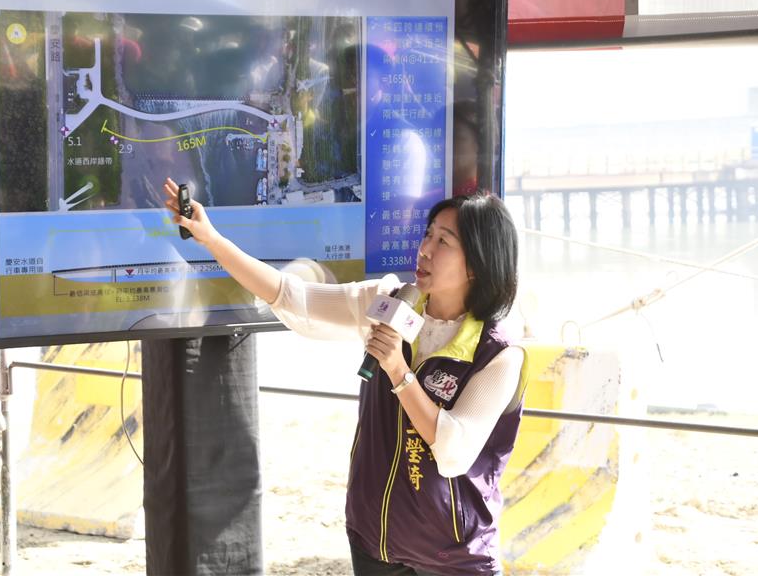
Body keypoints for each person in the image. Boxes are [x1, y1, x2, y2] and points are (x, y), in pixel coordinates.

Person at [163, 178, 524, 576]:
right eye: (428, 234)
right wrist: (211, 239)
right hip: (375, 543)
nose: (424, 249)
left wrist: (399, 371)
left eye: (443, 241)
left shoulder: (498, 353)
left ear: (477, 262)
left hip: (453, 558)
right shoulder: (389, 301)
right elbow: (291, 296)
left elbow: (454, 453)